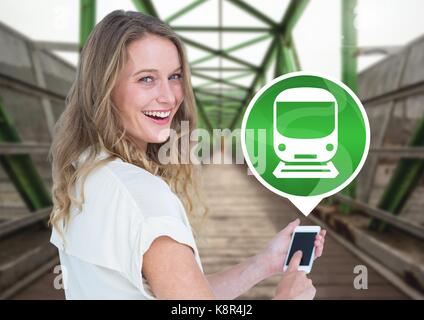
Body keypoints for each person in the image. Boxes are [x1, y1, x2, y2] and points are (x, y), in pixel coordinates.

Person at [49, 10, 326, 300]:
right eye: (146, 79)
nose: (169, 97)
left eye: (175, 76)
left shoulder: (84, 172)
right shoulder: (143, 196)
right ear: (105, 87)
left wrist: (263, 264)